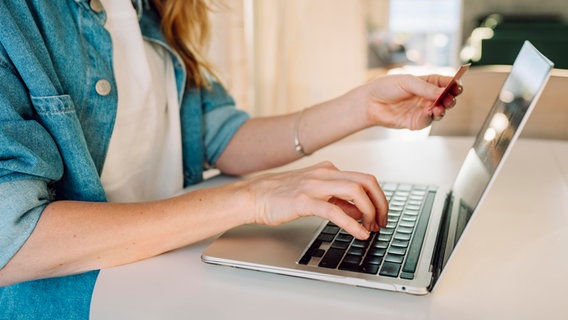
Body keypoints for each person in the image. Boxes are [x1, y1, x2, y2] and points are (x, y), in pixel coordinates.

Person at [0, 0, 462, 318]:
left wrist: (361, 107)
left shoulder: (149, 12)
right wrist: (251, 199)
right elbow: (12, 239)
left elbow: (221, 137)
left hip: (163, 281)